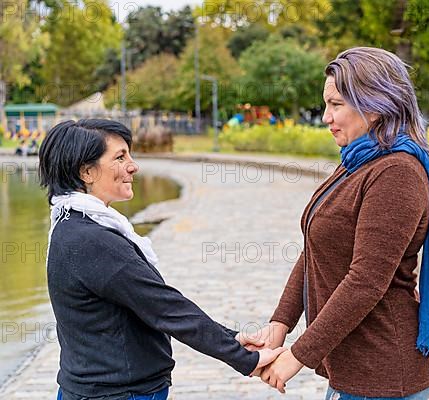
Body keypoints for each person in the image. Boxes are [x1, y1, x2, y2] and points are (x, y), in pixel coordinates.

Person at [254, 47, 429, 399]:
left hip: (385, 371)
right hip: (357, 371)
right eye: (326, 105)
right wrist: (279, 324)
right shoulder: (359, 160)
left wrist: (297, 355)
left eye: (336, 105)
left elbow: (365, 281)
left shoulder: (396, 172)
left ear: (375, 105)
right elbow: (316, 246)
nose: (326, 117)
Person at [38, 119, 285, 400]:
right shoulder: (93, 241)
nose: (133, 165)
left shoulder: (69, 224)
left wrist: (232, 339)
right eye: (120, 157)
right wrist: (244, 358)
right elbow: (166, 308)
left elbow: (153, 307)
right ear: (87, 171)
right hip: (117, 393)